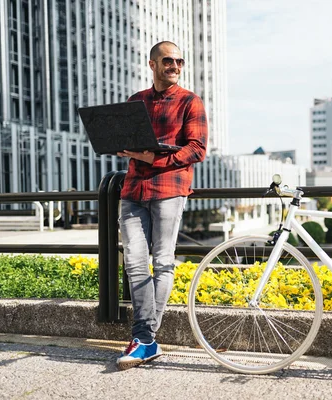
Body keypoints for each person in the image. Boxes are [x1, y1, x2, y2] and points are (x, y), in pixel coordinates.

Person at [115, 41, 208, 371]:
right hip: (132, 190)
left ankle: (143, 338)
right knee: (135, 262)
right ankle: (147, 340)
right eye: (168, 60)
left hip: (170, 189)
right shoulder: (134, 101)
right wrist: (121, 146)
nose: (175, 65)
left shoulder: (190, 102)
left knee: (163, 260)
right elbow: (122, 142)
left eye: (179, 61)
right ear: (152, 64)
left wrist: (153, 158)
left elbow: (197, 149)